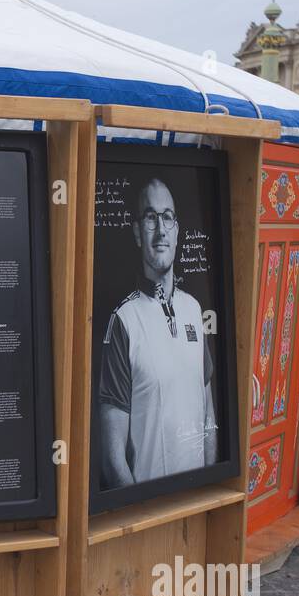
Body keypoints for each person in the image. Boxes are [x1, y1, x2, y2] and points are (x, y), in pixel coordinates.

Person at [98, 178, 216, 490]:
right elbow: (112, 459)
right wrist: (142, 514)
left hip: (195, 501)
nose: (160, 230)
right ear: (138, 232)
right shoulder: (123, 322)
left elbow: (208, 417)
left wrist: (206, 491)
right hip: (150, 514)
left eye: (167, 217)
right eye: (151, 217)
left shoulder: (193, 309)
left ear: (177, 230)